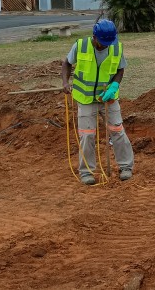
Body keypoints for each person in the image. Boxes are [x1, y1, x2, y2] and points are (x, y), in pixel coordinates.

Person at [61, 19, 134, 185]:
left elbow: (120, 69)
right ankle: (87, 171)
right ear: (94, 37)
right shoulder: (80, 46)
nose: (105, 46)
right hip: (86, 99)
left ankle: (126, 167)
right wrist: (65, 82)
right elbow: (66, 63)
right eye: (102, 43)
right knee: (87, 136)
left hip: (108, 98)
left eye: (108, 42)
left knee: (117, 130)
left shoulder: (116, 48)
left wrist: (114, 86)